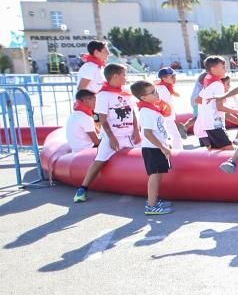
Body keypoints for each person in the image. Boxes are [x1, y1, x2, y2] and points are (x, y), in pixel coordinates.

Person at [74, 64, 140, 203]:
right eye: (124, 74)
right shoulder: (103, 95)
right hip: (114, 136)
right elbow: (101, 118)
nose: (125, 77)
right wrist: (111, 138)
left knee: (148, 154)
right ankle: (83, 188)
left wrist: (136, 130)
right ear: (115, 76)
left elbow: (132, 112)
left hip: (131, 135)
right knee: (99, 160)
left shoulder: (125, 92)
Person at [132, 80, 174, 215]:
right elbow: (147, 133)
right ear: (143, 97)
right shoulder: (146, 111)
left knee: (159, 175)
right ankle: (151, 206)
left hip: (158, 147)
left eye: (156, 90)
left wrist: (166, 143)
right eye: (153, 92)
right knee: (154, 176)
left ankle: (154, 200)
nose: (157, 93)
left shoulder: (152, 108)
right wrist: (162, 147)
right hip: (153, 149)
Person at [194, 56, 238, 150]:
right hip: (214, 125)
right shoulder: (218, 85)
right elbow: (220, 107)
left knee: (217, 153)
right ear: (213, 69)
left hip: (207, 125)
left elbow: (197, 100)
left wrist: (208, 104)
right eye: (223, 67)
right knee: (230, 152)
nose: (226, 69)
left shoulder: (208, 85)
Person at [153, 67, 185, 150]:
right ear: (164, 78)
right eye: (172, 77)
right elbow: (160, 105)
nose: (175, 79)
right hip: (165, 119)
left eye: (175, 76)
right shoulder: (162, 89)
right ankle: (179, 156)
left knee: (172, 138)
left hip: (166, 118)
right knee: (175, 138)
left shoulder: (164, 87)